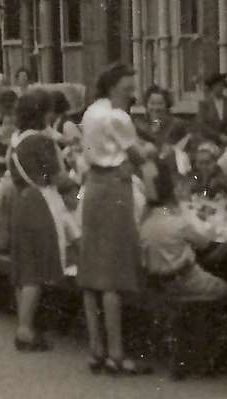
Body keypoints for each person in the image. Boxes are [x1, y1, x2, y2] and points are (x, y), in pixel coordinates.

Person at [77, 62, 153, 375]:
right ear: (113, 86)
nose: (131, 93)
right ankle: (117, 353)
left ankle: (96, 349)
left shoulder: (90, 112)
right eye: (127, 87)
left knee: (93, 271)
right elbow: (139, 157)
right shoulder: (118, 117)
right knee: (113, 274)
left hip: (93, 187)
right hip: (115, 187)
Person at [9, 131, 78, 352]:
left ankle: (24, 325)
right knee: (35, 271)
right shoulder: (42, 140)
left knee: (24, 268)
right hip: (41, 202)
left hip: (22, 200)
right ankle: (25, 329)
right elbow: (60, 178)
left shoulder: (17, 140)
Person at [140, 158, 227, 303]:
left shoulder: (146, 222)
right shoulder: (177, 222)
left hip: (160, 285)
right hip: (187, 281)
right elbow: (205, 244)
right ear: (172, 192)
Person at [196, 72, 227, 141]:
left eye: (222, 85)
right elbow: (202, 125)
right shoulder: (204, 104)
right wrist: (219, 136)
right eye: (217, 85)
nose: (220, 88)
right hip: (210, 140)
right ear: (212, 87)